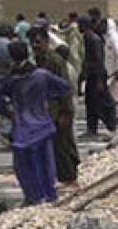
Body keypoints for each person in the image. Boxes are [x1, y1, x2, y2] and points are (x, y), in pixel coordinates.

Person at [0, 41, 69, 205]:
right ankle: (49, 194)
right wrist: (46, 96)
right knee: (46, 163)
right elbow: (64, 87)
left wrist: (7, 112)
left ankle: (33, 197)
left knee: (25, 166)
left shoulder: (11, 80)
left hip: (23, 126)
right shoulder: (42, 75)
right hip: (43, 123)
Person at [28, 28, 79, 189]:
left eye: (38, 42)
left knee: (63, 145)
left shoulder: (55, 60)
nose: (35, 45)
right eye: (33, 43)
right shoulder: (38, 60)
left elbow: (65, 87)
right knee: (55, 146)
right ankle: (62, 178)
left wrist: (66, 112)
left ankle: (70, 178)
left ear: (46, 41)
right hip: (47, 111)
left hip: (59, 110)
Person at [78, 15, 116, 138]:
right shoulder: (87, 38)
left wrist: (99, 80)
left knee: (103, 102)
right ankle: (91, 129)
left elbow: (99, 61)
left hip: (97, 75)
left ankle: (111, 125)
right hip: (91, 75)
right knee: (90, 103)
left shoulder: (94, 40)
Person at [62, 13, 84, 80]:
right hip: (76, 46)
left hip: (73, 46)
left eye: (69, 18)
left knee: (74, 63)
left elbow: (63, 31)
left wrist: (54, 29)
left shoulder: (73, 25)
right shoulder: (77, 25)